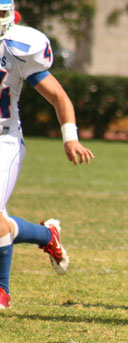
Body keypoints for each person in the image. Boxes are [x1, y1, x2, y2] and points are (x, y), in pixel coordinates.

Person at [0, 0, 94, 309]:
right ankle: (46, 234)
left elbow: (58, 96)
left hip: (4, 141)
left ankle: (2, 292)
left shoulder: (18, 48)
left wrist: (71, 138)